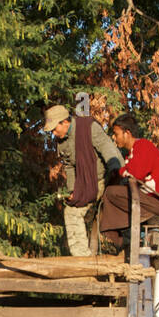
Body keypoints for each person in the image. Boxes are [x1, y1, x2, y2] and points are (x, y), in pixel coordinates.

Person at [42, 104, 123, 257]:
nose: (53, 133)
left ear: (65, 122)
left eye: (54, 129)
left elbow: (109, 150)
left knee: (72, 213)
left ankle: (81, 257)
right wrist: (73, 191)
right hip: (83, 185)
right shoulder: (62, 141)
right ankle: (83, 255)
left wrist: (117, 172)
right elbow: (70, 166)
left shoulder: (89, 128)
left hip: (102, 181)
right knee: (72, 207)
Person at [98, 113, 159, 249]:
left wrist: (121, 171)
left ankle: (124, 235)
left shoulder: (143, 146)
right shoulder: (132, 153)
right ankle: (124, 233)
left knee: (111, 193)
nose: (114, 138)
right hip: (148, 199)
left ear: (127, 133)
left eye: (116, 134)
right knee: (112, 193)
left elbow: (134, 174)